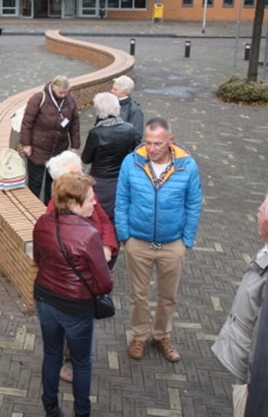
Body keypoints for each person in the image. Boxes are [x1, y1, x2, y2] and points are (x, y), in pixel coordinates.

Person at [115, 117, 202, 363]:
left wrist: (185, 240)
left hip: (172, 244)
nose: (152, 149)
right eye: (148, 142)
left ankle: (161, 335)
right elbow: (122, 200)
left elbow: (193, 204)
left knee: (168, 296)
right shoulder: (131, 162)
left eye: (158, 144)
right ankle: (140, 337)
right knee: (138, 295)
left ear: (170, 141)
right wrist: (125, 236)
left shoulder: (187, 166)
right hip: (138, 242)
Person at [33, 173, 114, 417]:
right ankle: (81, 412)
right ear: (73, 204)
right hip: (76, 308)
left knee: (52, 354)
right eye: (90, 199)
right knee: (81, 362)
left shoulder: (43, 223)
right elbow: (104, 285)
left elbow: (38, 259)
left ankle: (50, 407)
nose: (95, 203)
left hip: (45, 298)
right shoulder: (89, 235)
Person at [46, 151, 119, 384]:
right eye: (76, 174)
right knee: (73, 324)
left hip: (95, 271)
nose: (83, 178)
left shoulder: (86, 195)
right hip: (76, 285)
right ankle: (69, 361)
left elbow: (105, 220)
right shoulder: (53, 211)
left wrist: (107, 246)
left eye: (81, 172)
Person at [211, 191, 268, 416]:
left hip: (251, 363)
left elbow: (262, 332)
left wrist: (253, 376)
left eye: (260, 212)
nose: (256, 215)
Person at [20, 76, 81, 205]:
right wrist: (26, 144)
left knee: (53, 183)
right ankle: (33, 209)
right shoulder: (38, 98)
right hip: (38, 148)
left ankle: (49, 209)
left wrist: (75, 146)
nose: (64, 95)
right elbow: (27, 123)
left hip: (59, 149)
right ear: (53, 87)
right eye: (61, 92)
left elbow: (74, 124)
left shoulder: (70, 101)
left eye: (66, 92)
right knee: (35, 183)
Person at [81, 92, 138, 223]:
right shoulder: (129, 129)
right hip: (121, 178)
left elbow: (86, 158)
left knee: (98, 215)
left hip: (100, 181)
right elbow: (134, 151)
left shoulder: (96, 133)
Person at [109, 75, 144, 143]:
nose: (111, 91)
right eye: (112, 88)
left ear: (125, 93)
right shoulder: (110, 104)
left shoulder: (134, 110)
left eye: (115, 89)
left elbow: (137, 135)